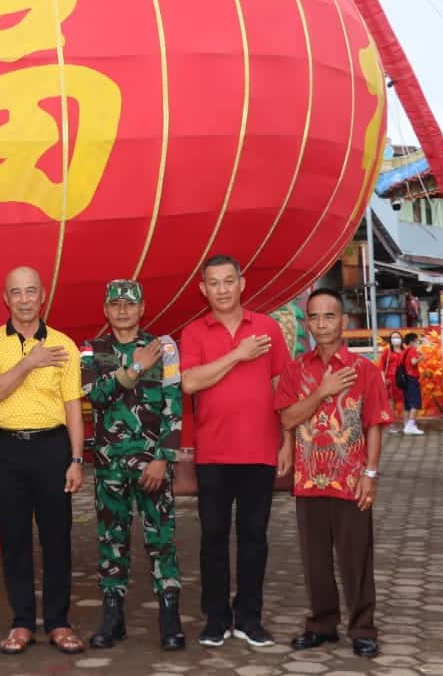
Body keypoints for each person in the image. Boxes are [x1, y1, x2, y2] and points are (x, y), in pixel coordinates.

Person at [179, 255, 293, 648]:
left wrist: (288, 441)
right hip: (213, 453)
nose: (223, 289)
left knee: (254, 537)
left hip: (260, 450)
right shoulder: (194, 332)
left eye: (229, 281)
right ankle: (216, 619)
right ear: (203, 289)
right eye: (214, 283)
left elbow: (283, 386)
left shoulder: (267, 328)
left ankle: (249, 618)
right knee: (212, 538)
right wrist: (238, 355)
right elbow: (191, 382)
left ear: (242, 283)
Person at [0, 266, 87, 655]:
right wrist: (28, 363)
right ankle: (22, 622)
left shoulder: (64, 346)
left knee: (57, 538)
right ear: (6, 299)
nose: (24, 300)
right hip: (6, 450)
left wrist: (76, 459)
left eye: (31, 292)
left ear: (43, 296)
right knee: (15, 539)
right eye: (16, 293)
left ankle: (58, 622)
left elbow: (74, 408)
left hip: (53, 449)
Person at [275, 288, 391, 658]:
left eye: (329, 316)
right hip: (309, 479)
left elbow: (375, 423)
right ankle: (322, 624)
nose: (321, 324)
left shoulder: (365, 371)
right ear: (306, 323)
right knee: (315, 559)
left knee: (356, 557)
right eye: (314, 317)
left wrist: (370, 472)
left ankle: (362, 628)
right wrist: (322, 392)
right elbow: (288, 418)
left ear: (344, 321)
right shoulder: (296, 370)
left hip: (351, 479)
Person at [81, 279, 185, 651]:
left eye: (130, 304)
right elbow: (95, 395)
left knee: (161, 541)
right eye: (115, 304)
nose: (123, 310)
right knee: (112, 543)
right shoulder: (91, 351)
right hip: (109, 467)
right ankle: (113, 620)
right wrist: (135, 368)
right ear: (106, 310)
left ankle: (170, 619)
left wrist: (162, 458)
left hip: (152, 465)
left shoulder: (164, 347)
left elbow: (174, 405)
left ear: (142, 309)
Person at [378, 332, 407, 429]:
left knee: (405, 401)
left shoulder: (405, 351)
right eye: (393, 337)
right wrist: (382, 379)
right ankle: (392, 424)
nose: (396, 339)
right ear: (390, 340)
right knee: (391, 402)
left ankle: (406, 423)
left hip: (403, 379)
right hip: (390, 379)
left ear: (401, 338)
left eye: (397, 337)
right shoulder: (387, 351)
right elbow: (381, 366)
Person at [401, 332, 424, 434]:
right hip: (412, 379)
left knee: (407, 403)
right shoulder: (412, 350)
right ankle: (411, 425)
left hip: (405, 379)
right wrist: (421, 358)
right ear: (411, 342)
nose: (417, 343)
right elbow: (413, 362)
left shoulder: (404, 351)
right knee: (415, 402)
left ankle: (406, 425)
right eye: (416, 341)